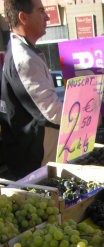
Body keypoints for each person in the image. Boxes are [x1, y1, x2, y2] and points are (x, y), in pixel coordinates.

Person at [0, 0, 63, 180]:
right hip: (35, 165)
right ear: (23, 17)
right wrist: (88, 116)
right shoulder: (25, 59)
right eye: (41, 11)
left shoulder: (24, 51)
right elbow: (52, 112)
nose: (48, 16)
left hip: (33, 159)